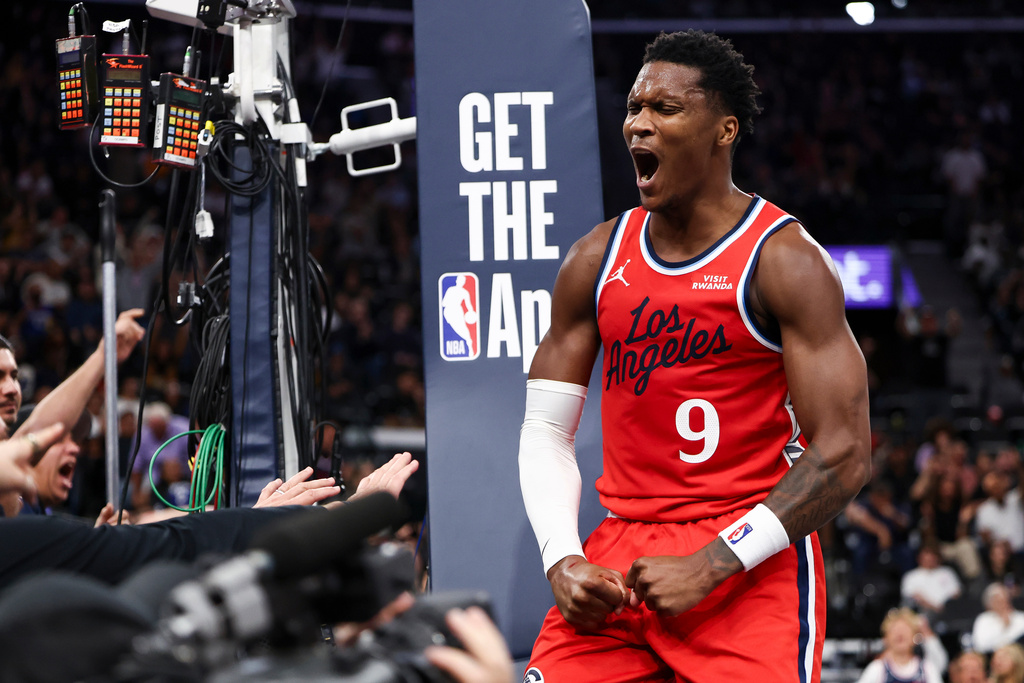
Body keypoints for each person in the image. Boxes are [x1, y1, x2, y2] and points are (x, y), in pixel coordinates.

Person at [518, 29, 871, 682]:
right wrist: (562, 557)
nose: (639, 123)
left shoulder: (785, 261)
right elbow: (544, 430)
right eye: (634, 107)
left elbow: (846, 450)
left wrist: (713, 562)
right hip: (623, 553)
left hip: (749, 557)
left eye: (666, 108)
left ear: (724, 130)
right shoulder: (594, 259)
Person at [0, 449, 419, 590]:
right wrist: (346, 514)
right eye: (11, 436)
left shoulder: (32, 536)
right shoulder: (20, 542)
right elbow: (170, 545)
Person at [854, 608, 947, 683]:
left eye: (905, 630)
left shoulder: (927, 669)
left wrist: (926, 631)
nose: (900, 634)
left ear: (914, 637)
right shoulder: (877, 668)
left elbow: (940, 661)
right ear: (886, 639)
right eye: (894, 630)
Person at [900, 544, 963, 617]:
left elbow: (956, 592)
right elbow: (912, 597)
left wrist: (944, 608)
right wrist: (934, 608)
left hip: (949, 613)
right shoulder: (910, 576)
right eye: (926, 557)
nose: (930, 559)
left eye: (932, 556)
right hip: (923, 615)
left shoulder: (947, 572)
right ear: (919, 558)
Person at [972, 583, 1024, 654]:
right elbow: (980, 646)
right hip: (991, 656)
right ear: (989, 604)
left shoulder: (1021, 617)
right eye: (998, 601)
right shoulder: (983, 619)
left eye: (1004, 600)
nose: (1002, 604)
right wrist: (1003, 627)